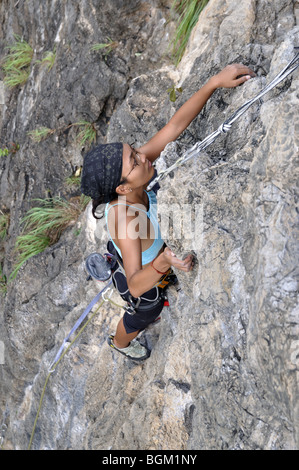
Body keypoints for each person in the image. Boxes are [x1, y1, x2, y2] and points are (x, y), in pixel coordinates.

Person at [81, 64, 255, 361]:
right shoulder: (126, 220)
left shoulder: (137, 171)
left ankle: (114, 258)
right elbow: (136, 285)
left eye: (134, 150)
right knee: (144, 313)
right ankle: (120, 344)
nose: (142, 156)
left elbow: (174, 127)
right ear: (121, 189)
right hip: (144, 275)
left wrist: (213, 83)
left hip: (136, 247)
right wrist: (163, 262)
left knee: (126, 252)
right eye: (134, 162)